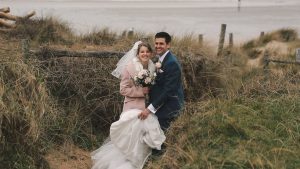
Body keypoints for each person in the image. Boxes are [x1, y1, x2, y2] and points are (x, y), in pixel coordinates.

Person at [91, 41, 165, 169]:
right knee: (130, 138)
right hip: (132, 106)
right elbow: (123, 89)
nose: (145, 54)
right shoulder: (129, 67)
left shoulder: (153, 67)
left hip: (146, 107)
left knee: (142, 137)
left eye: (147, 51)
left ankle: (139, 163)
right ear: (138, 53)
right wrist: (140, 92)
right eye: (142, 52)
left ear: (151, 53)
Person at [139, 32, 184, 131]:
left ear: (168, 45)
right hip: (160, 106)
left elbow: (169, 91)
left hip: (168, 109)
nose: (158, 46)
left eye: (161, 44)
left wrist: (150, 108)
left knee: (159, 141)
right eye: (156, 43)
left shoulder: (171, 63)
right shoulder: (160, 59)